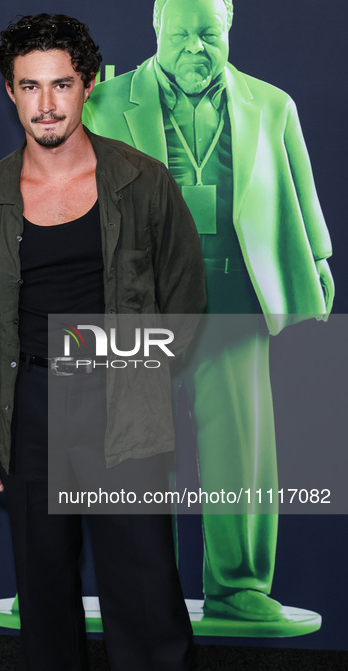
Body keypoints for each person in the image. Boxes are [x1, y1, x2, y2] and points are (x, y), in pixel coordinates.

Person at [0, 14, 210, 671]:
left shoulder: (140, 181)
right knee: (43, 581)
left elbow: (187, 304)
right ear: (10, 94)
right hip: (26, 404)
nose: (46, 102)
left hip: (120, 395)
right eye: (30, 85)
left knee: (144, 588)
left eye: (61, 83)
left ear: (86, 86)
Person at [83, 0, 333, 622]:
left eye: (209, 33)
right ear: (156, 30)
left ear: (228, 33)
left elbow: (299, 188)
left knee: (241, 447)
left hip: (233, 298)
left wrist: (321, 260)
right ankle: (143, 583)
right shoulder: (105, 103)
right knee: (140, 450)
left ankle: (239, 585)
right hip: (141, 301)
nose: (197, 47)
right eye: (183, 33)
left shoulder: (271, 105)